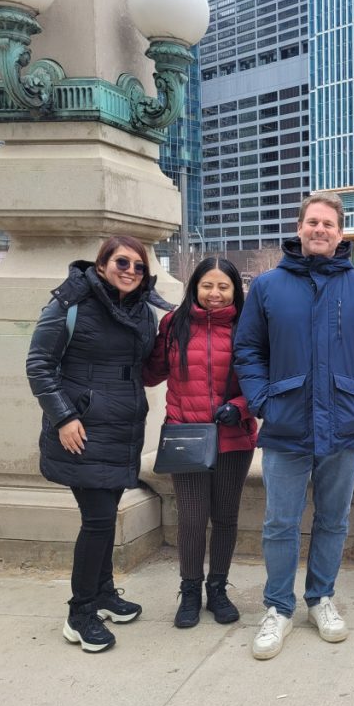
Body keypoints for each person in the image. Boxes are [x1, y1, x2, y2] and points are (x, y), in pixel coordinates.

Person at [234, 192, 354, 661]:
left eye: (329, 224)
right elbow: (248, 351)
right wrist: (262, 400)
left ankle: (320, 598)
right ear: (299, 228)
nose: (320, 230)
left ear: (341, 234)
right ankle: (278, 607)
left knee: (334, 520)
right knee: (279, 522)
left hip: (345, 424)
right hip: (286, 422)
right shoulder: (267, 286)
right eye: (313, 222)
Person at [26, 235, 168, 653]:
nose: (130, 271)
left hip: (121, 429)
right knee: (99, 520)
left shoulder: (143, 311)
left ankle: (103, 592)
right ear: (102, 264)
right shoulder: (69, 303)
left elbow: (144, 366)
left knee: (106, 514)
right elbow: (38, 364)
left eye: (139, 266)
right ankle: (80, 612)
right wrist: (64, 416)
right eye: (121, 262)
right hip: (82, 430)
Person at [143, 257, 258, 629]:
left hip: (233, 436)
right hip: (186, 435)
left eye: (223, 286)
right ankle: (190, 589)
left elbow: (262, 382)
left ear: (234, 291)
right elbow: (150, 373)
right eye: (207, 285)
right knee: (192, 519)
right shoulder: (173, 325)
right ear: (194, 286)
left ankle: (218, 588)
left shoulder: (248, 327)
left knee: (225, 518)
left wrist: (239, 407)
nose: (215, 293)